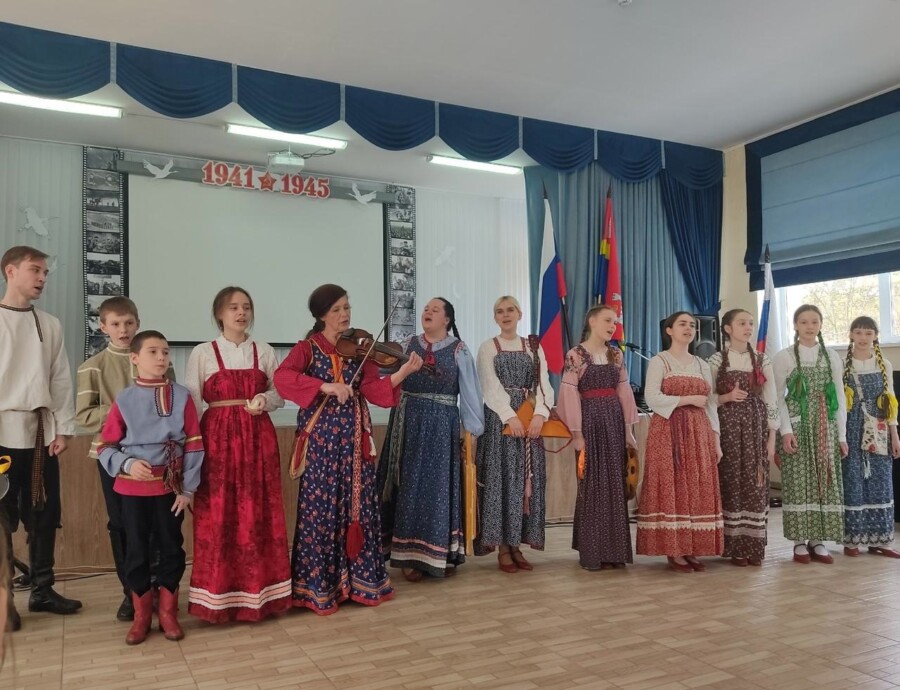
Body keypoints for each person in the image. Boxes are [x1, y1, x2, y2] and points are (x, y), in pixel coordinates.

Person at [274, 284, 422, 615]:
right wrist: (324, 385)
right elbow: (282, 378)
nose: (345, 314)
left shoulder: (360, 349)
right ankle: (320, 588)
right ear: (321, 315)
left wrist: (403, 372)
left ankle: (360, 583)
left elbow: (373, 390)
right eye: (337, 309)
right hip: (322, 441)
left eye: (347, 307)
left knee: (359, 506)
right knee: (321, 508)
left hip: (355, 438)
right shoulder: (307, 348)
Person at [186, 287, 291, 623]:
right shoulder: (203, 352)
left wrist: (264, 399)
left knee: (259, 509)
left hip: (258, 437)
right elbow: (192, 402)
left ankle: (263, 596)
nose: (241, 313)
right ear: (219, 313)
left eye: (246, 307)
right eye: (233, 307)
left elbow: (280, 393)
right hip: (217, 439)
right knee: (219, 511)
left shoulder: (264, 350)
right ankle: (217, 598)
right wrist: (190, 448)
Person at [98, 330, 204, 644]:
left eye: (166, 352)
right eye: (153, 352)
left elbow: (194, 443)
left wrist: (187, 489)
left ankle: (168, 613)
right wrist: (128, 464)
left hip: (170, 489)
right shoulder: (125, 399)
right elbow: (106, 446)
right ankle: (142, 616)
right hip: (132, 490)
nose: (161, 358)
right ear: (135, 358)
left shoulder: (182, 395)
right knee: (136, 550)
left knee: (172, 547)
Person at [76, 296, 174, 621]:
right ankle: (131, 592)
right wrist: (126, 408)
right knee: (121, 524)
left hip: (157, 459)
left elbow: (170, 406)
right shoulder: (92, 367)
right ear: (103, 326)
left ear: (138, 323)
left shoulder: (158, 361)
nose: (123, 330)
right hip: (112, 459)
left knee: (157, 525)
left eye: (129, 323)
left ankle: (157, 590)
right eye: (116, 324)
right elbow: (84, 416)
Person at [0, 246, 80, 631]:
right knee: (1, 521)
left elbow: (60, 377)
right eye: (35, 270)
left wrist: (62, 427)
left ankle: (43, 590)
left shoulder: (49, 324)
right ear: (10, 271)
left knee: (45, 515)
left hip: (40, 435)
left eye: (45, 272)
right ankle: (4, 601)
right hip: (1, 434)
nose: (42, 278)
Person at [378, 297, 485, 581]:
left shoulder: (460, 350)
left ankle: (439, 554)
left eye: (435, 309)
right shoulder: (406, 345)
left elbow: (471, 395)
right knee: (409, 486)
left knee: (437, 489)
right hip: (408, 422)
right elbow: (382, 376)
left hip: (441, 426)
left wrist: (471, 434)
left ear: (447, 319)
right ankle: (408, 556)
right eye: (426, 308)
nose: (428, 311)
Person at [636, 311, 723, 572]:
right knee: (672, 485)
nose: (689, 328)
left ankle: (692, 546)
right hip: (668, 431)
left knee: (696, 485)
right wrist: (687, 400)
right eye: (682, 324)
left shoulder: (701, 364)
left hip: (699, 431)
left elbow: (710, 404)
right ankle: (674, 548)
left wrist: (716, 440)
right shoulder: (660, 361)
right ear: (669, 330)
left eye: (692, 325)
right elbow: (652, 398)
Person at [474, 296, 553, 571]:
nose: (505, 315)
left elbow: (543, 384)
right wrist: (510, 416)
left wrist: (540, 414)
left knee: (524, 483)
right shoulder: (488, 348)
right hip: (500, 423)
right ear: (495, 317)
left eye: (510, 310)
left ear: (519, 314)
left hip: (530, 420)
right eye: (499, 311)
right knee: (502, 481)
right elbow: (489, 387)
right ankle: (503, 548)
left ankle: (517, 545)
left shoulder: (533, 347)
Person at [558, 304, 638, 570]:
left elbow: (624, 392)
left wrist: (628, 431)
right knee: (592, 483)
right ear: (592, 321)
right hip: (589, 422)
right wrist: (577, 434)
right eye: (607, 320)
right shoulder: (576, 355)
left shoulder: (616, 354)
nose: (613, 326)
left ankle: (614, 552)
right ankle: (592, 552)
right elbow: (569, 394)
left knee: (615, 483)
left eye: (614, 322)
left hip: (614, 422)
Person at [772, 304, 848, 564]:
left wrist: (841, 436)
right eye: (803, 322)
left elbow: (839, 396)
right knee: (798, 482)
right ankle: (799, 542)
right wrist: (785, 431)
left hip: (825, 424)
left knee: (822, 481)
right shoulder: (784, 357)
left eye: (814, 321)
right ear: (795, 325)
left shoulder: (831, 356)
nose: (809, 326)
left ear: (820, 325)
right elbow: (777, 397)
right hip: (796, 424)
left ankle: (818, 540)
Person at [707, 309, 778, 567]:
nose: (748, 327)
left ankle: (754, 545)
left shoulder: (761, 359)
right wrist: (727, 397)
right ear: (728, 328)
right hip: (727, 426)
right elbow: (707, 398)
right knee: (731, 480)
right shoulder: (716, 359)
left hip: (756, 426)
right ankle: (735, 547)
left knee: (755, 481)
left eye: (750, 323)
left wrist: (772, 437)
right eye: (742, 323)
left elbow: (771, 398)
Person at [840, 316, 900, 557]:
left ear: (875, 336)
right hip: (851, 430)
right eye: (858, 332)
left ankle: (881, 540)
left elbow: (891, 403)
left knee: (881, 481)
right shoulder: (843, 365)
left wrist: (895, 435)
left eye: (868, 333)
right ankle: (852, 540)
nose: (863, 337)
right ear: (851, 335)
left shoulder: (883, 363)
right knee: (852, 479)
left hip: (878, 430)